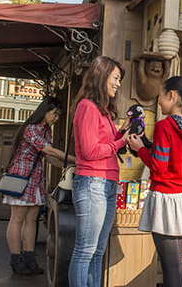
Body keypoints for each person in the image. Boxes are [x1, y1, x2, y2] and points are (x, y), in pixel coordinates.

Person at [128, 76, 182, 287]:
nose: (158, 101)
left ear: (171, 95)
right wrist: (147, 145)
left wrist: (140, 149)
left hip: (165, 199)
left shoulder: (164, 126)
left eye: (160, 95)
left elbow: (159, 168)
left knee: (169, 268)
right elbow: (171, 160)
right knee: (176, 265)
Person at [69, 56, 132, 287]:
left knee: (97, 251)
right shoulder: (87, 106)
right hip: (92, 182)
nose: (117, 84)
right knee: (85, 250)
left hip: (106, 183)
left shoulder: (103, 111)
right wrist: (120, 143)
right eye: (115, 78)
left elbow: (103, 144)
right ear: (101, 76)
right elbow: (90, 150)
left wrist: (120, 133)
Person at [3, 97, 75, 275]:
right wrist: (76, 160)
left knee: (32, 217)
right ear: (45, 111)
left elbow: (48, 157)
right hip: (21, 176)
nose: (56, 118)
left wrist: (67, 166)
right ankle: (15, 258)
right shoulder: (31, 129)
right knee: (17, 218)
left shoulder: (45, 131)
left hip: (34, 178)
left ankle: (29, 257)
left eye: (59, 115)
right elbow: (49, 151)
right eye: (54, 114)